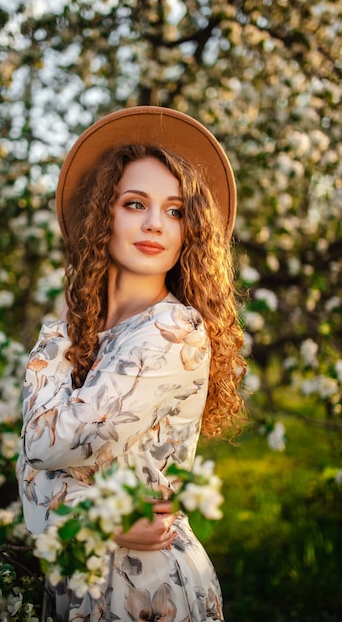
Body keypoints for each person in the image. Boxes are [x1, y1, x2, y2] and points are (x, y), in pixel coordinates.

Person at [16, 106, 246, 622]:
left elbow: (45, 443)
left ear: (192, 229)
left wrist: (58, 330)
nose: (153, 224)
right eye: (135, 203)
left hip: (147, 589)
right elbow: (29, 476)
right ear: (104, 215)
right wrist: (98, 518)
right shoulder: (84, 332)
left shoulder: (173, 331)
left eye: (175, 210)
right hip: (76, 579)